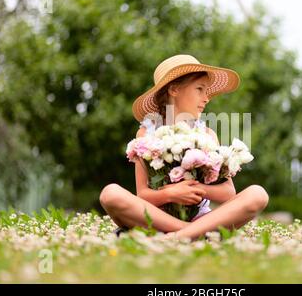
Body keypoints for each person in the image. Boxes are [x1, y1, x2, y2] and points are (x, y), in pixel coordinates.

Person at [99, 54, 269, 240]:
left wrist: (198, 190)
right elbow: (143, 194)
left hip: (200, 217)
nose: (206, 98)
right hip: (157, 217)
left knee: (258, 194)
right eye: (199, 89)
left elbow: (228, 192)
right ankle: (192, 233)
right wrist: (171, 193)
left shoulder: (208, 135)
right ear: (174, 89)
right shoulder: (146, 135)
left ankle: (172, 236)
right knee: (110, 194)